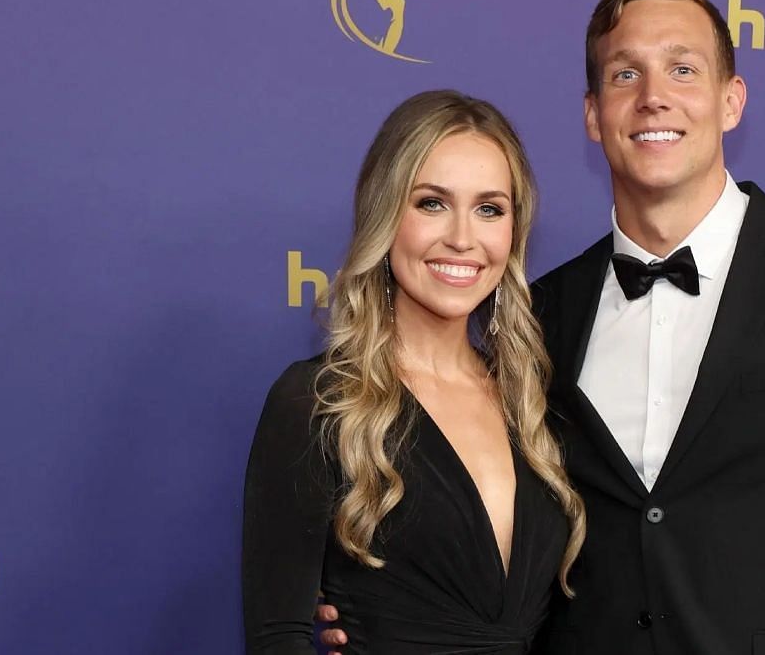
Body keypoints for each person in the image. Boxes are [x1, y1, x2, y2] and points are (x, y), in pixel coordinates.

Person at [320, 0, 765, 655]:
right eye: (626, 74)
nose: (654, 96)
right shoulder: (540, 314)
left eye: (682, 69)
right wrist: (383, 616)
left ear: (731, 101)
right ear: (595, 114)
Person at [243, 89, 585, 654]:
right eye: (431, 203)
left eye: (489, 208)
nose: (462, 237)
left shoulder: (535, 407)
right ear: (385, 216)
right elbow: (276, 636)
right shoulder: (318, 402)